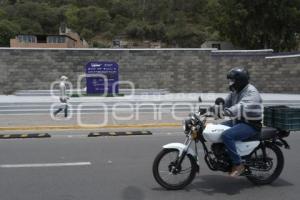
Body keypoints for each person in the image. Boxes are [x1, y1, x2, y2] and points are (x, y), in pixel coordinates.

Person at [214, 67, 263, 177]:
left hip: (250, 124)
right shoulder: (236, 91)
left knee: (227, 135)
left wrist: (225, 112)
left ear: (240, 81)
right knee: (216, 128)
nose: (230, 83)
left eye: (233, 81)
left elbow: (240, 107)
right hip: (238, 121)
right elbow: (227, 103)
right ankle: (226, 156)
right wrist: (213, 109)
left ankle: (238, 164)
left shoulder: (251, 92)